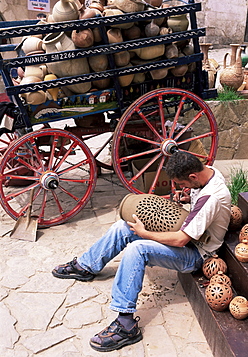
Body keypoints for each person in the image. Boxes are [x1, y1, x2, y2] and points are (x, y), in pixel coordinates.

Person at [52, 151, 231, 352]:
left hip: (197, 253)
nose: (182, 188)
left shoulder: (212, 197)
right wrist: (188, 195)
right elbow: (198, 202)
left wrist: (144, 233)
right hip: (190, 234)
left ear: (192, 177)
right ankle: (86, 266)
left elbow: (181, 240)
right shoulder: (208, 174)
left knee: (138, 249)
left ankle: (126, 325)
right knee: (123, 226)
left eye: (182, 184)